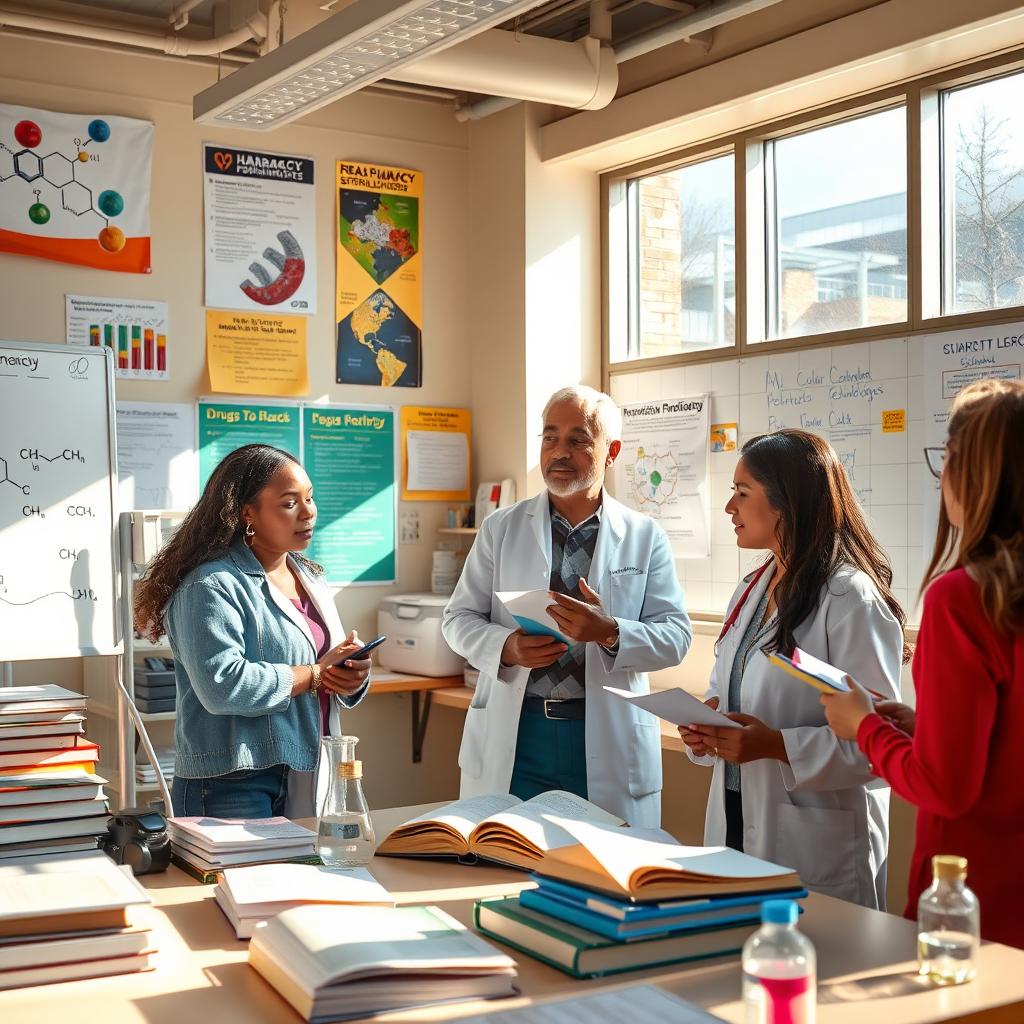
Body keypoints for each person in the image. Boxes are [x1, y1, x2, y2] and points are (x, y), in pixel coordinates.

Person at [822, 379, 1024, 948]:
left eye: (950, 457)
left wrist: (863, 726)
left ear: (981, 474)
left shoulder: (965, 599)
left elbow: (945, 788)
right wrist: (926, 729)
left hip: (975, 914)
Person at [442, 385, 691, 827]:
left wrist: (610, 632)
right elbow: (457, 619)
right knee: (504, 863)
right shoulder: (501, 527)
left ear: (610, 451)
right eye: (550, 436)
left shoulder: (644, 536)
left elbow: (675, 637)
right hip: (519, 736)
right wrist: (506, 647)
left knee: (602, 874)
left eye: (578, 440)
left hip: (602, 736)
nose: (559, 451)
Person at [679, 430, 906, 909]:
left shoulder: (849, 598)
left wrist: (776, 746)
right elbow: (728, 690)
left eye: (742, 494)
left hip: (816, 841)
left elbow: (878, 746)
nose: (729, 509)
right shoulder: (751, 588)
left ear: (786, 504)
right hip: (738, 821)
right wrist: (709, 725)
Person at [134, 444, 371, 819]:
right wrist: (314, 674)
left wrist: (351, 675)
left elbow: (321, 663)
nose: (309, 512)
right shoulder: (211, 585)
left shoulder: (308, 575)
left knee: (302, 877)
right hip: (232, 782)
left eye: (310, 498)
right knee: (238, 880)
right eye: (289, 503)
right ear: (248, 513)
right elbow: (221, 685)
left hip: (306, 768)